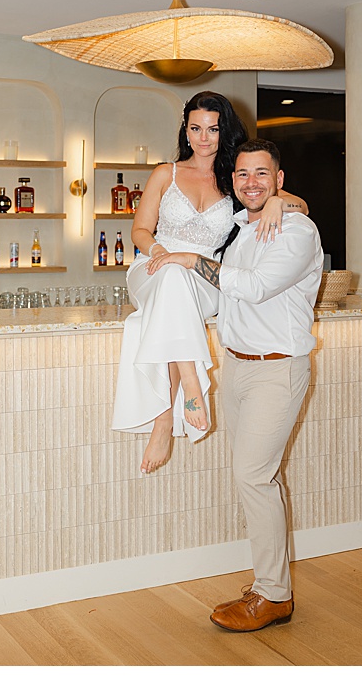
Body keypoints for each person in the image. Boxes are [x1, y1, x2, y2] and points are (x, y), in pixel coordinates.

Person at [159, 139, 323, 632]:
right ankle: (269, 587)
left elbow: (251, 288)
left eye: (261, 175)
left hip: (277, 368)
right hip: (238, 367)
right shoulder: (244, 228)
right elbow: (226, 290)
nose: (250, 183)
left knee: (254, 477)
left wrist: (189, 260)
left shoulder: (296, 230)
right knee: (256, 478)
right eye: (242, 175)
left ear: (279, 178)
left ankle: (273, 595)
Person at [111, 91, 306, 475]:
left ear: (224, 130)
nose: (204, 137)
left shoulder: (235, 177)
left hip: (204, 278)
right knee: (170, 276)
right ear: (185, 130)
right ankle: (189, 392)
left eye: (213, 129)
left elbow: (301, 205)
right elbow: (139, 229)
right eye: (196, 128)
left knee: (178, 280)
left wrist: (275, 202)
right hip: (152, 266)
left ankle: (165, 416)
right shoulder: (165, 173)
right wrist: (159, 253)